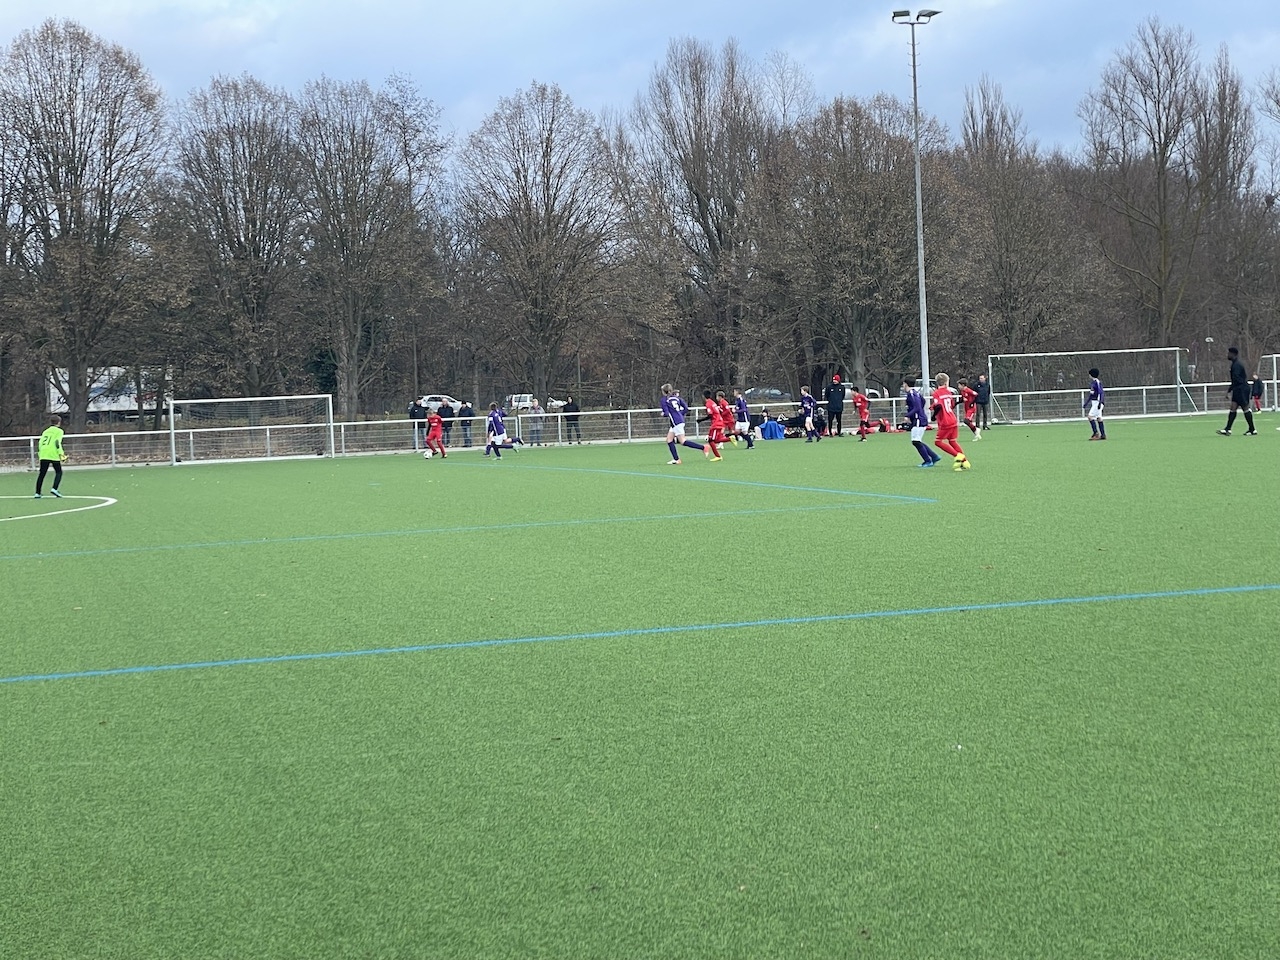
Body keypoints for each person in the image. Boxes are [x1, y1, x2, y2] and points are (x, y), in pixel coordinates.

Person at [660, 383, 706, 464]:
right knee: (669, 439)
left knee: (682, 441)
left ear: (663, 392)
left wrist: (663, 414)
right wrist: (679, 414)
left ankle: (703, 447)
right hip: (679, 420)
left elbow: (666, 413)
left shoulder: (664, 400)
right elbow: (686, 408)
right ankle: (676, 459)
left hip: (676, 422)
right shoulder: (677, 398)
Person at [932, 373, 970, 470]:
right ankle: (965, 462)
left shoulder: (936, 393)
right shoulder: (948, 392)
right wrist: (959, 401)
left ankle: (958, 456)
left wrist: (933, 416)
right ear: (946, 383)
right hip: (953, 419)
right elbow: (951, 405)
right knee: (952, 441)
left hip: (945, 421)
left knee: (938, 442)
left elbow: (938, 406)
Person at [1218, 347, 1257, 436]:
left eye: (1229, 353)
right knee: (1233, 407)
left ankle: (1252, 429)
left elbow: (1237, 379)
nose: (1227, 355)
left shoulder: (1237, 365)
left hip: (1241, 389)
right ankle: (1228, 429)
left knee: (1245, 408)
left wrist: (1230, 390)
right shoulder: (1235, 364)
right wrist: (1230, 390)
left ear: (1233, 354)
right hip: (1238, 388)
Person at [904, 379, 940, 467]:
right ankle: (934, 456)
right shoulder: (915, 393)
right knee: (917, 441)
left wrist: (908, 415)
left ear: (905, 384)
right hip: (919, 418)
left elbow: (917, 407)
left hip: (918, 419)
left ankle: (928, 461)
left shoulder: (911, 394)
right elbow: (923, 401)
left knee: (916, 441)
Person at [34, 415, 68, 498]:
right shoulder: (59, 431)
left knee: (42, 474)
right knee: (59, 472)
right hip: (53, 453)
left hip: (44, 453)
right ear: (59, 422)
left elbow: (40, 443)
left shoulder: (46, 431)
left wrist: (40, 453)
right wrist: (61, 454)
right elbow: (57, 443)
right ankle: (54, 488)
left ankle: (37, 493)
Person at [701, 390, 725, 461]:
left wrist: (701, 420)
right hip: (717, 422)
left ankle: (718, 456)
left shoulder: (708, 403)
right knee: (712, 439)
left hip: (716, 423)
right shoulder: (712, 402)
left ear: (703, 396)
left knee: (712, 440)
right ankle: (729, 438)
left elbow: (710, 415)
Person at [1084, 368, 1107, 440]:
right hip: (1095, 402)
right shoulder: (1093, 383)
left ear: (1091, 374)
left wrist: (1100, 402)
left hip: (1097, 402)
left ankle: (1096, 433)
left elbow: (1101, 393)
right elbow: (1091, 395)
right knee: (1099, 418)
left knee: (1090, 417)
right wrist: (1086, 403)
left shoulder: (1097, 382)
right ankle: (1103, 435)